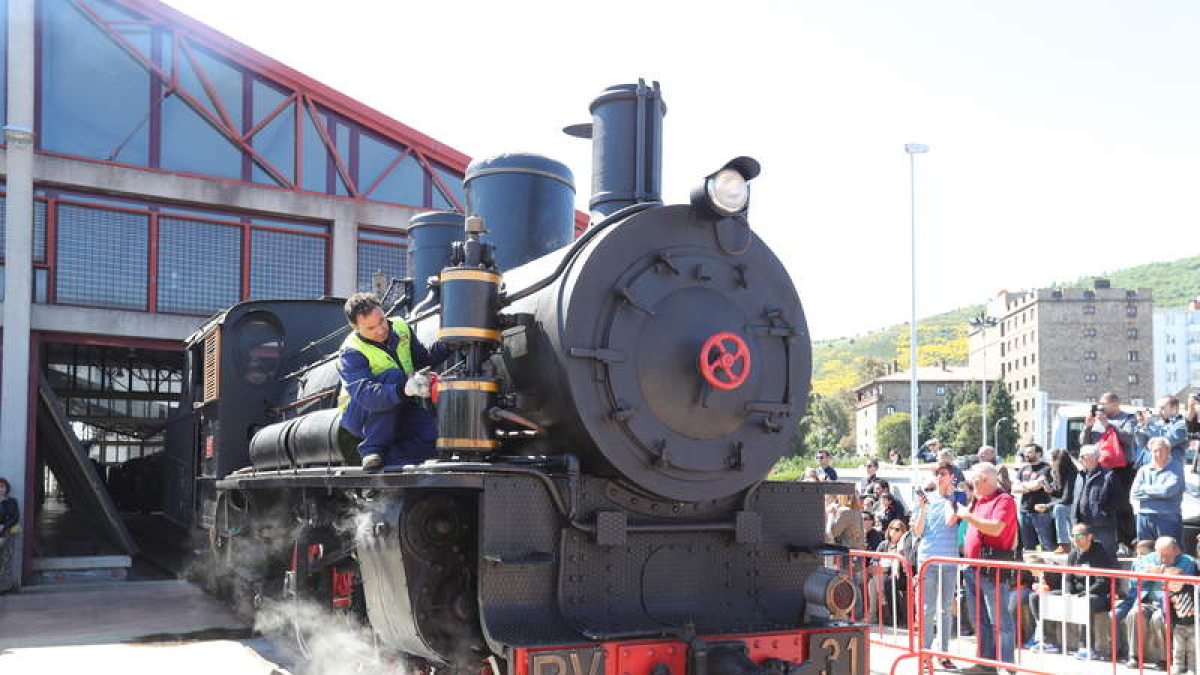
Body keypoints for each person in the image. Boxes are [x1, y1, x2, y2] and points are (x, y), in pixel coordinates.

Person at [338, 292, 450, 470]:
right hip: (361, 414)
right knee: (394, 375)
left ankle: (391, 465)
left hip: (397, 403)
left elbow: (421, 359)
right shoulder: (350, 352)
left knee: (431, 439)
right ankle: (372, 449)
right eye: (371, 328)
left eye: (382, 321)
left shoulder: (400, 327)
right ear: (355, 327)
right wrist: (404, 389)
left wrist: (448, 344)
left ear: (383, 311)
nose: (381, 330)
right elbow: (367, 395)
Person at [957, 463, 1020, 675]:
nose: (971, 485)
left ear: (985, 480)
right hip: (973, 567)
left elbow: (995, 528)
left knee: (1000, 622)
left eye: (974, 481)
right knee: (980, 620)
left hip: (993, 569)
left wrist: (967, 516)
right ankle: (986, 663)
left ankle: (1006, 666)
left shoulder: (1004, 500)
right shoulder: (979, 500)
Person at [1027, 523, 1119, 658]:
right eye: (1073, 536)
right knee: (1037, 597)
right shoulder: (1073, 554)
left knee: (1084, 603)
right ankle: (1047, 640)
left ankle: (1086, 647)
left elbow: (1103, 582)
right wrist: (1068, 592)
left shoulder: (1100, 554)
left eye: (1079, 536)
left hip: (1096, 595)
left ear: (1089, 537)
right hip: (1075, 593)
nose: (1075, 539)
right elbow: (1068, 578)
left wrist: (1082, 594)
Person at [913, 466, 962, 670]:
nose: (940, 477)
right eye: (938, 474)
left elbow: (951, 520)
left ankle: (943, 653)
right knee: (927, 609)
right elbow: (917, 531)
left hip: (949, 560)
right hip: (928, 560)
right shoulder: (926, 498)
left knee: (945, 610)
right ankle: (925, 653)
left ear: (952, 477)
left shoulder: (958, 499)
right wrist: (922, 509)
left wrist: (950, 498)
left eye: (944, 474)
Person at [1081, 392, 1138, 549]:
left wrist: (1108, 425)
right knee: (1102, 504)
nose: (1101, 407)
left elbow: (1129, 437)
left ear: (1115, 404)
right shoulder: (1096, 420)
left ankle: (1128, 541)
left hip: (1122, 468)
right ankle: (1110, 541)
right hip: (1101, 468)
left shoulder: (1128, 418)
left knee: (1122, 505)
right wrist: (1088, 427)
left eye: (1104, 403)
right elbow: (1084, 443)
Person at [1130, 436, 1185, 542]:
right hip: (1144, 516)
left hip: (1167, 518)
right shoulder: (1143, 470)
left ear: (1168, 451)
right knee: (1146, 554)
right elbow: (1135, 493)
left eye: (1161, 450)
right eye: (1155, 451)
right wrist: (1158, 492)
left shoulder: (1176, 468)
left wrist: (1145, 489)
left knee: (1169, 554)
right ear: (1150, 452)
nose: (1158, 454)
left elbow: (1167, 491)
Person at [1072, 445, 1120, 556]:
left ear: (1094, 458)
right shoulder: (1080, 475)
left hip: (1102, 526)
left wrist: (1104, 513)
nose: (1080, 459)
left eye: (1083, 456)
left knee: (1106, 556)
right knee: (1083, 556)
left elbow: (1118, 499)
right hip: (1082, 525)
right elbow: (1076, 498)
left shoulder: (1108, 475)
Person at [870, 519, 915, 627]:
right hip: (881, 571)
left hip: (899, 574)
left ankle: (885, 614)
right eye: (891, 528)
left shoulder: (904, 544)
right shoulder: (883, 544)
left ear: (903, 532)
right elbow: (874, 560)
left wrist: (886, 569)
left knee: (884, 582)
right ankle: (880, 612)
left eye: (897, 529)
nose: (893, 531)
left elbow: (902, 562)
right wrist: (878, 567)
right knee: (873, 581)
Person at [1035, 447, 1078, 554]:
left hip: (1076, 506)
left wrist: (1048, 506)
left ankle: (1064, 544)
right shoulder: (1062, 473)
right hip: (1070, 504)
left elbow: (1067, 498)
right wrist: (1051, 491)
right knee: (1058, 509)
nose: (1050, 463)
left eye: (1052, 460)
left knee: (1059, 509)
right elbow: (1061, 494)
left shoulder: (1072, 475)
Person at [1013, 444, 1055, 552]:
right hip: (1024, 511)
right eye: (1026, 452)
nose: (1026, 455)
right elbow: (1014, 488)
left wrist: (1024, 486)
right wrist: (1031, 486)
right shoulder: (1023, 469)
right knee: (1028, 546)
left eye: (1030, 452)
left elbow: (1039, 485)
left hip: (1041, 512)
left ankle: (1050, 568)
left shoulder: (1046, 468)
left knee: (1046, 543)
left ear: (1038, 453)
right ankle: (1030, 569)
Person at [1136, 396, 1188, 466]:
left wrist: (1148, 425)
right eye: (1158, 408)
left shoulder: (1182, 424)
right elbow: (1143, 445)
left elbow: (1164, 443)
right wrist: (1142, 425)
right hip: (1149, 465)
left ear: (1174, 408)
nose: (1158, 411)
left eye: (1162, 408)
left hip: (1169, 468)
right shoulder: (1158, 423)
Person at [1164, 566, 1197, 675]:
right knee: (1178, 648)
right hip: (1179, 626)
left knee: (1192, 649)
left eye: (1176, 582)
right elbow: (1169, 612)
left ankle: (1192, 667)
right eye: (1170, 583)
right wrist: (1169, 623)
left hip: (1193, 625)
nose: (1174, 585)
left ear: (1183, 581)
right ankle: (1178, 666)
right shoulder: (1169, 595)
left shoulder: (1191, 589)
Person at [0, 477, 18, 594]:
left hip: (7, 533)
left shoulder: (12, 501)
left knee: (6, 560)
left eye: (2, 487)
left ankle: (4, 587)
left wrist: (3, 526)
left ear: (6, 489)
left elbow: (15, 517)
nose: (0, 489)